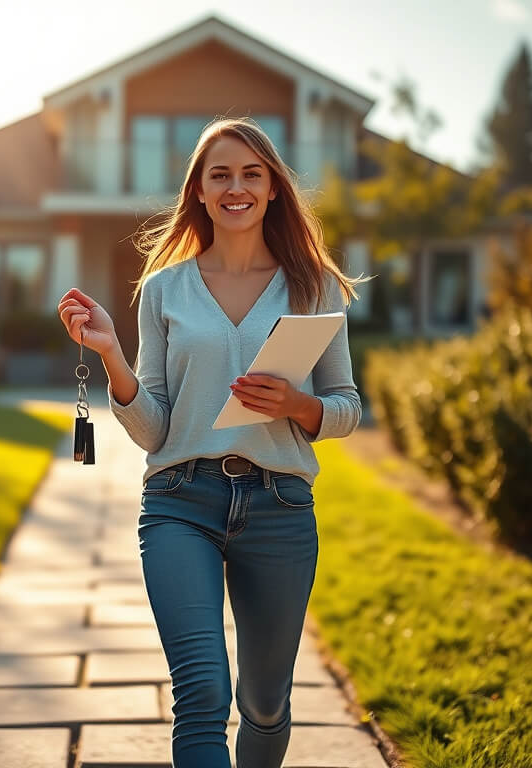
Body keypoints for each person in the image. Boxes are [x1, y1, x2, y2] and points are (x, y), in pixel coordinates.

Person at [56, 116, 368, 768]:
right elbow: (154, 430)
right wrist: (112, 353)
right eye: (219, 174)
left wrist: (301, 405)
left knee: (263, 704)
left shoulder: (313, 286)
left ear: (274, 188)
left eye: (251, 174)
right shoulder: (164, 289)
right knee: (202, 691)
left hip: (279, 506)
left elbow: (348, 407)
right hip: (179, 501)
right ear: (198, 190)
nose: (236, 187)